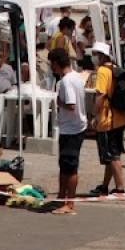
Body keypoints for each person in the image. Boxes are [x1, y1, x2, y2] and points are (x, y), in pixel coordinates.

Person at [50, 48, 86, 215]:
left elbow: (71, 105)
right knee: (64, 165)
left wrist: (59, 102)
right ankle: (61, 197)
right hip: (73, 127)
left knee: (70, 167)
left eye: (52, 64)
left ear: (56, 64)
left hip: (72, 129)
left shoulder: (66, 81)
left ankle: (69, 203)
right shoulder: (76, 77)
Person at [90, 42, 125, 196]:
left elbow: (100, 95)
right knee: (111, 155)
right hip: (119, 118)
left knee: (113, 155)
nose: (93, 57)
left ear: (101, 55)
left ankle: (120, 187)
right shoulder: (114, 69)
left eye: (95, 54)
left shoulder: (102, 71)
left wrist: (94, 115)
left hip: (107, 119)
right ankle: (105, 185)